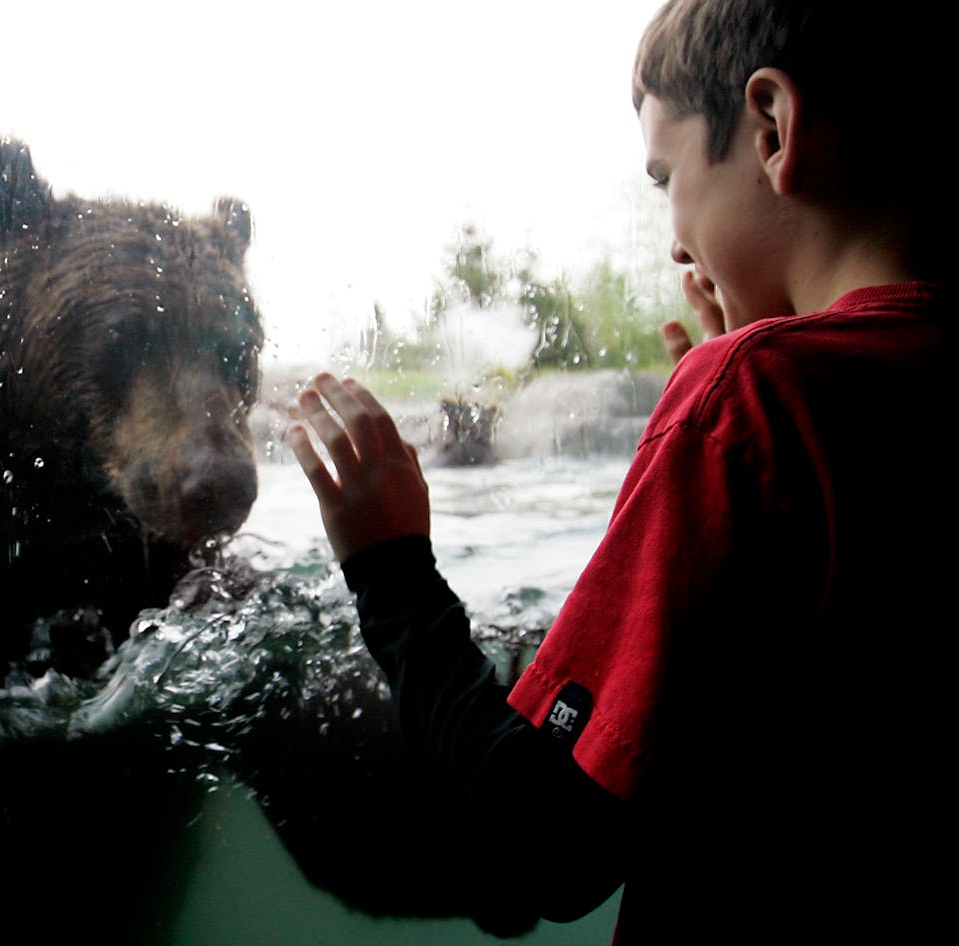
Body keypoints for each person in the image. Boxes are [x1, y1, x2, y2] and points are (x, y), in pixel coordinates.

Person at [289, 1, 956, 942]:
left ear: (772, 126)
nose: (678, 243)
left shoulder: (747, 398)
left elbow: (544, 846)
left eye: (666, 177)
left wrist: (389, 567)